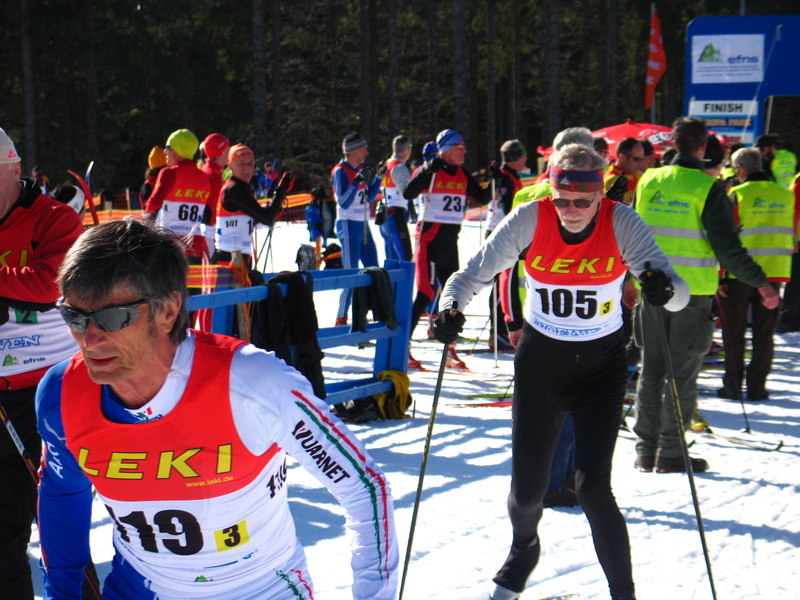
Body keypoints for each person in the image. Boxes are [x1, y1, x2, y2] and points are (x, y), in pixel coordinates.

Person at [36, 218, 399, 600]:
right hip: (141, 590)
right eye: (74, 317)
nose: (90, 340)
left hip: (261, 590)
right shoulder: (63, 394)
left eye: (112, 318)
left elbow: (363, 487)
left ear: (168, 310)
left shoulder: (255, 382)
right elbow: (63, 494)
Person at [433, 143, 688, 600]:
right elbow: (470, 275)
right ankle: (524, 548)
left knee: (592, 488)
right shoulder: (530, 218)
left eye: (582, 202)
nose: (570, 211)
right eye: (562, 199)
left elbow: (680, 294)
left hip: (601, 368)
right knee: (527, 494)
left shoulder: (621, 221)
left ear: (599, 194)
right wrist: (449, 308)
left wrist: (662, 289)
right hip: (541, 365)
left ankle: (624, 593)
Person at [633, 117, 779, 473]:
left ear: (673, 143)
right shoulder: (708, 189)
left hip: (650, 290)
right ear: (703, 147)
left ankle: (646, 450)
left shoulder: (649, 179)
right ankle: (671, 452)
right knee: (680, 374)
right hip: (691, 293)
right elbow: (728, 249)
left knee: (651, 370)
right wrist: (761, 283)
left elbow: (632, 231)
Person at [0, 126, 84, 599]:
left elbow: (51, 281)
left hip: (51, 394)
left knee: (60, 529)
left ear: (14, 170)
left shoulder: (54, 218)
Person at [402, 128, 492, 369]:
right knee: (425, 293)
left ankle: (449, 348)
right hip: (429, 243)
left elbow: (483, 197)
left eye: (464, 148)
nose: (464, 152)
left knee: (454, 295)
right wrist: (425, 171)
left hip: (450, 244)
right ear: (446, 150)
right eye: (459, 148)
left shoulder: (462, 173)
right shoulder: (432, 170)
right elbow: (408, 192)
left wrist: (494, 179)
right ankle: (403, 347)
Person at [717, 147, 794, 401]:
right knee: (764, 333)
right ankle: (757, 387)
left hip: (740, 272)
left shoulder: (737, 195)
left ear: (740, 168)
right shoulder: (785, 195)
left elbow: (727, 238)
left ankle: (732, 386)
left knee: (733, 332)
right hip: (774, 271)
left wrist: (720, 275)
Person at [214, 143, 294, 267]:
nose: (247, 167)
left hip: (239, 256)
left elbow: (256, 219)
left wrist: (277, 203)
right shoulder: (234, 190)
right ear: (230, 166)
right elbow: (267, 218)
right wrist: (280, 192)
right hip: (229, 258)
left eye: (250, 163)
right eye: (241, 163)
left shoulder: (244, 188)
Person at [144, 129, 215, 265]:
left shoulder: (169, 173)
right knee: (192, 279)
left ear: (177, 150)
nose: (165, 152)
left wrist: (143, 225)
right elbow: (208, 212)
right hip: (195, 244)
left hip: (169, 245)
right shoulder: (205, 178)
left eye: (168, 148)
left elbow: (152, 204)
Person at [331, 132, 381, 326]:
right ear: (353, 151)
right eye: (363, 149)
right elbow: (343, 201)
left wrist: (378, 178)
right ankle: (341, 317)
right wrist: (356, 182)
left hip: (363, 225)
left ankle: (368, 313)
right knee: (351, 273)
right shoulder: (341, 171)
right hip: (348, 224)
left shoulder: (360, 168)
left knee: (374, 270)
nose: (367, 152)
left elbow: (370, 196)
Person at [486, 139, 528, 351]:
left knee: (504, 282)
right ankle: (498, 332)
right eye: (523, 156)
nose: (526, 159)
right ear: (516, 158)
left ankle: (499, 331)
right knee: (501, 283)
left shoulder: (510, 176)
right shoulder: (504, 177)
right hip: (499, 234)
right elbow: (507, 205)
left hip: (503, 233)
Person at [378, 135, 414, 261]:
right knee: (405, 257)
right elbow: (408, 192)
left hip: (384, 214)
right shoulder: (399, 167)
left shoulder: (386, 165)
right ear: (407, 149)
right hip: (396, 214)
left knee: (391, 259)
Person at [603, 137, 644, 206]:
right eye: (636, 159)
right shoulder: (611, 180)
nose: (640, 164)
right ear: (622, 157)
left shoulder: (639, 176)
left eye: (641, 159)